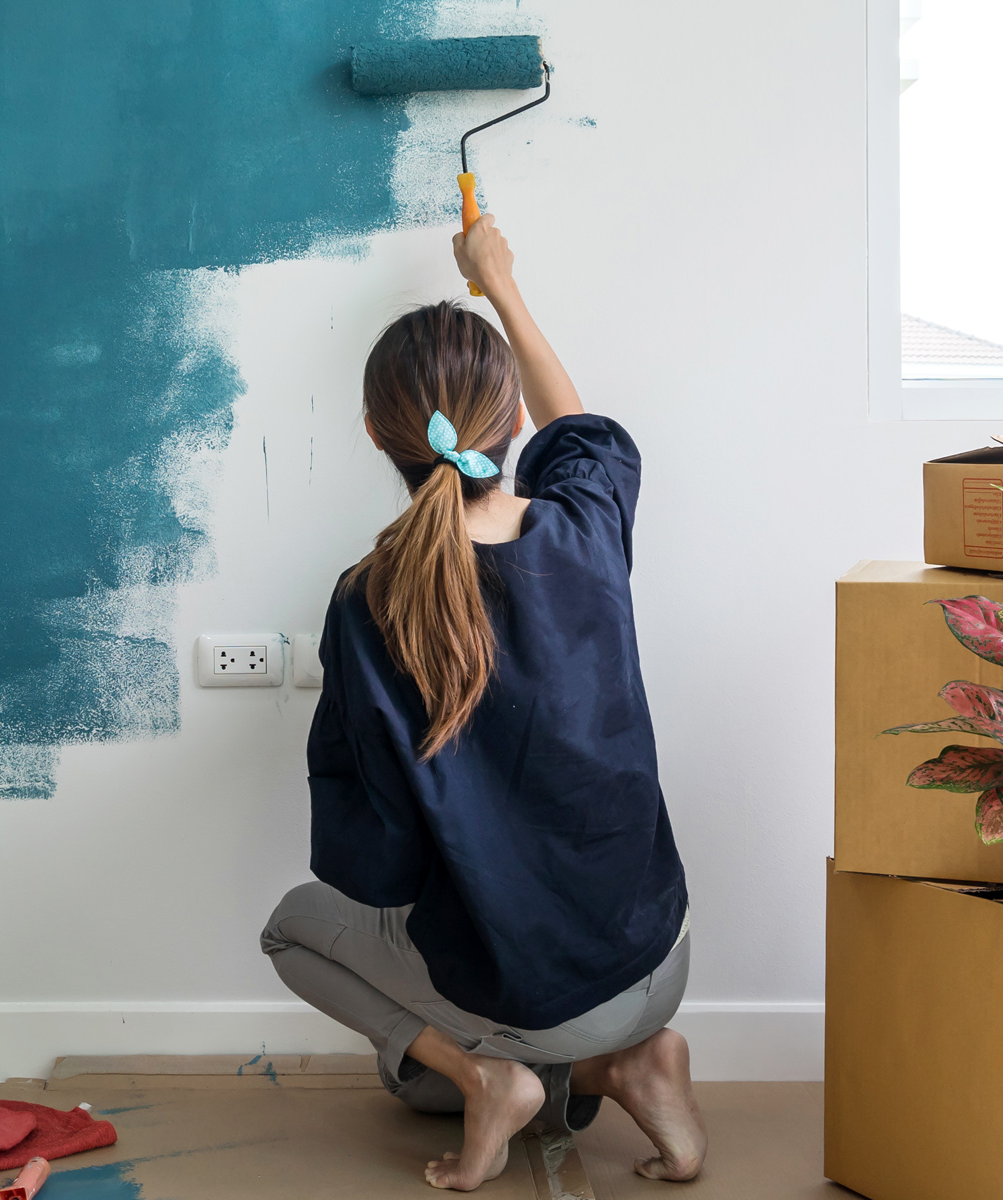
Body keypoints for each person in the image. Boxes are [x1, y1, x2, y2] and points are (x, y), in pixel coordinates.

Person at [259, 217, 704, 1191]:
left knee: (295, 929)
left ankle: (492, 1075)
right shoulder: (585, 530)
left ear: (376, 437)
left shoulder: (364, 602)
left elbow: (375, 863)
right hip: (660, 958)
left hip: (539, 992)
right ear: (511, 423)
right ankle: (629, 1059)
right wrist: (499, 281)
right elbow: (581, 430)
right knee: (439, 1047)